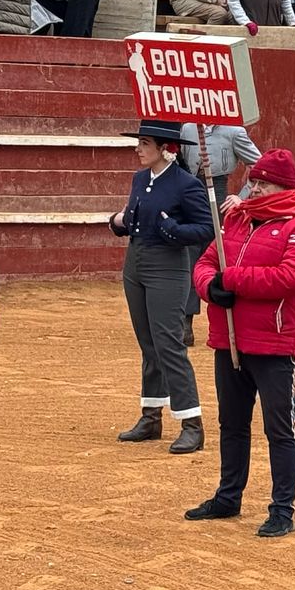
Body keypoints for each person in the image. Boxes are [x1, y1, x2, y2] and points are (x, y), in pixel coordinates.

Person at [183, 150, 295, 537]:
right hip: (229, 339)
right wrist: (210, 287)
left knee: (279, 429)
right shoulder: (236, 218)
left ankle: (282, 508)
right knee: (231, 422)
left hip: (275, 342)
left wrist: (230, 281)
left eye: (263, 182)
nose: (254, 186)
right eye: (253, 180)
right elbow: (206, 263)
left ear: (284, 186)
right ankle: (229, 496)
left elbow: (292, 276)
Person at [111, 121, 213, 453]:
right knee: (148, 342)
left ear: (165, 148)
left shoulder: (186, 184)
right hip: (136, 263)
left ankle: (191, 423)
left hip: (168, 266)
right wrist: (117, 221)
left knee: (168, 342)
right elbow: (133, 219)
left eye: (144, 143)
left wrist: (174, 230)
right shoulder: (141, 179)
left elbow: (206, 228)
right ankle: (151, 416)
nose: (138, 149)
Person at [178, 122, 261, 205]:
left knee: (217, 216)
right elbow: (178, 159)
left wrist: (241, 197)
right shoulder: (188, 128)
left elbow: (260, 165)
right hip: (188, 187)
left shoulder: (234, 132)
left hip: (217, 188)